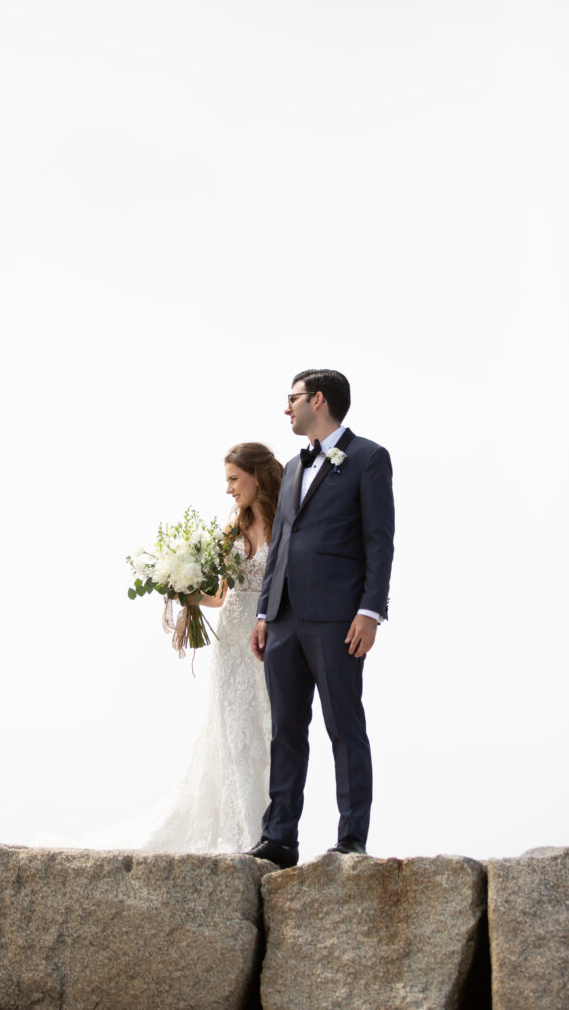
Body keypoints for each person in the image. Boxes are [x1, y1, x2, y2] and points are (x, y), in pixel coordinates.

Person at [247, 369, 394, 869]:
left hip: (338, 620)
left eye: (291, 399)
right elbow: (280, 546)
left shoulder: (369, 459)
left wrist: (370, 610)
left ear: (318, 399)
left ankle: (351, 838)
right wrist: (265, 611)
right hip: (284, 620)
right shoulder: (291, 466)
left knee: (343, 726)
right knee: (285, 729)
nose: (285, 408)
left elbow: (379, 541)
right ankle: (280, 837)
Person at [140, 442, 284, 853]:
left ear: (258, 477)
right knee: (235, 735)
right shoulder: (231, 529)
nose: (228, 490)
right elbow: (221, 595)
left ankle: (273, 831)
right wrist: (187, 593)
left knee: (271, 733)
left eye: (234, 480)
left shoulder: (283, 524)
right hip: (232, 645)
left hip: (271, 640)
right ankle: (247, 837)